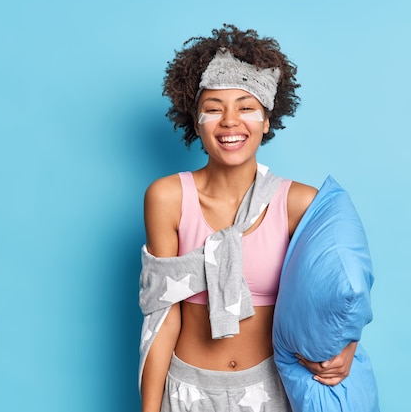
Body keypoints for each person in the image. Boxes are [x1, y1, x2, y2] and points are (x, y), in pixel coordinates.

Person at [139, 24, 358, 412]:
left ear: (266, 120)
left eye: (246, 107)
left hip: (272, 388)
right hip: (189, 389)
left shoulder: (300, 203)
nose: (229, 121)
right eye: (213, 109)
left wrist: (348, 345)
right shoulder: (168, 197)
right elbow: (162, 315)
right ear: (195, 121)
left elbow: (337, 293)